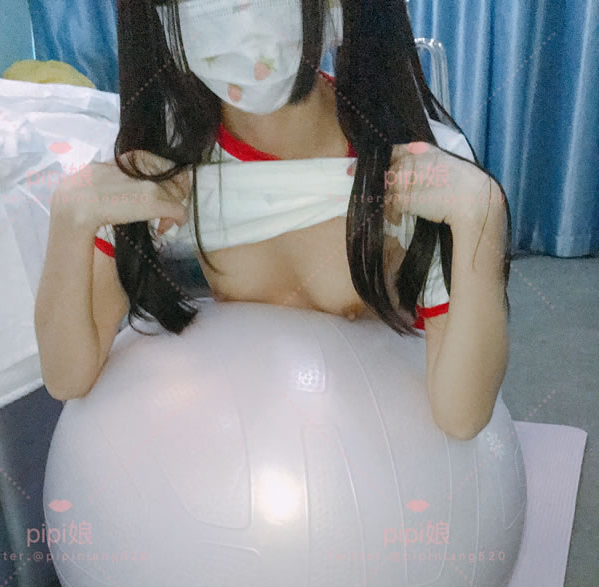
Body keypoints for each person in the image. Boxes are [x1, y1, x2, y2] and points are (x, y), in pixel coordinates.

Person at [35, 0, 511, 439]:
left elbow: (462, 415)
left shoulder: (410, 168)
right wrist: (70, 216)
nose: (243, 14)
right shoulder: (165, 163)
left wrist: (481, 216)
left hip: (379, 451)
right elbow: (68, 377)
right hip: (250, 450)